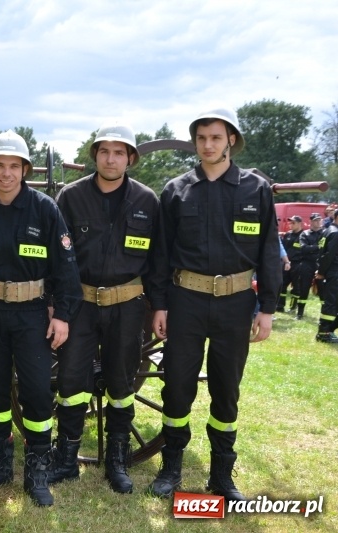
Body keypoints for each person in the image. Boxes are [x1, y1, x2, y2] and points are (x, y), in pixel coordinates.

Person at [148, 107, 280, 502]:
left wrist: (268, 308)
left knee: (226, 390)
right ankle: (171, 467)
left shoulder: (256, 189)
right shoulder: (176, 190)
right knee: (177, 388)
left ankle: (221, 475)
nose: (208, 145)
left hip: (236, 304)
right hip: (185, 301)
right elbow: (161, 254)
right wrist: (159, 305)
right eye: (201, 138)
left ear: (231, 141)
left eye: (216, 137)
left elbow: (269, 252)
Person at [0, 130, 82, 507]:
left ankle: (37, 471)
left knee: (37, 392)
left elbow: (66, 267)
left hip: (31, 313)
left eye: (14, 166)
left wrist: (63, 315)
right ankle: (0, 465)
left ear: (25, 170)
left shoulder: (45, 210)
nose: (6, 173)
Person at [53, 122, 160, 494]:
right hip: (80, 304)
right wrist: (55, 306)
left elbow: (158, 260)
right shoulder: (70, 197)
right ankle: (66, 459)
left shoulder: (147, 200)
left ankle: (117, 460)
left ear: (130, 158)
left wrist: (159, 306)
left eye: (118, 153)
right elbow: (57, 257)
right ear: (95, 156)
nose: (110, 159)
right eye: (104, 151)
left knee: (121, 383)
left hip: (127, 305)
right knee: (71, 382)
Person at [315, 209, 338, 342]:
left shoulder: (328, 230)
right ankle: (324, 332)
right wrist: (321, 272)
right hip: (334, 272)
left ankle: (329, 330)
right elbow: (328, 255)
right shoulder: (335, 233)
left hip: (331, 271)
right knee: (331, 303)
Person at [297, 213, 323, 320]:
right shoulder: (305, 234)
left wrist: (311, 248)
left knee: (323, 289)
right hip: (307, 264)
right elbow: (303, 248)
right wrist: (318, 247)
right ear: (311, 221)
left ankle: (324, 314)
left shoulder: (325, 233)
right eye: (316, 220)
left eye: (319, 220)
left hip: (321, 264)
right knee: (304, 288)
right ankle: (300, 313)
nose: (318, 222)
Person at [277, 217, 301, 313]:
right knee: (282, 285)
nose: (291, 225)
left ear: (299, 223)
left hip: (297, 264)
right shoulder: (288, 234)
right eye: (290, 223)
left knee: (296, 286)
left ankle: (292, 307)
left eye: (293, 223)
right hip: (286, 263)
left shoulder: (304, 235)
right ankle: (280, 306)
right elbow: (282, 248)